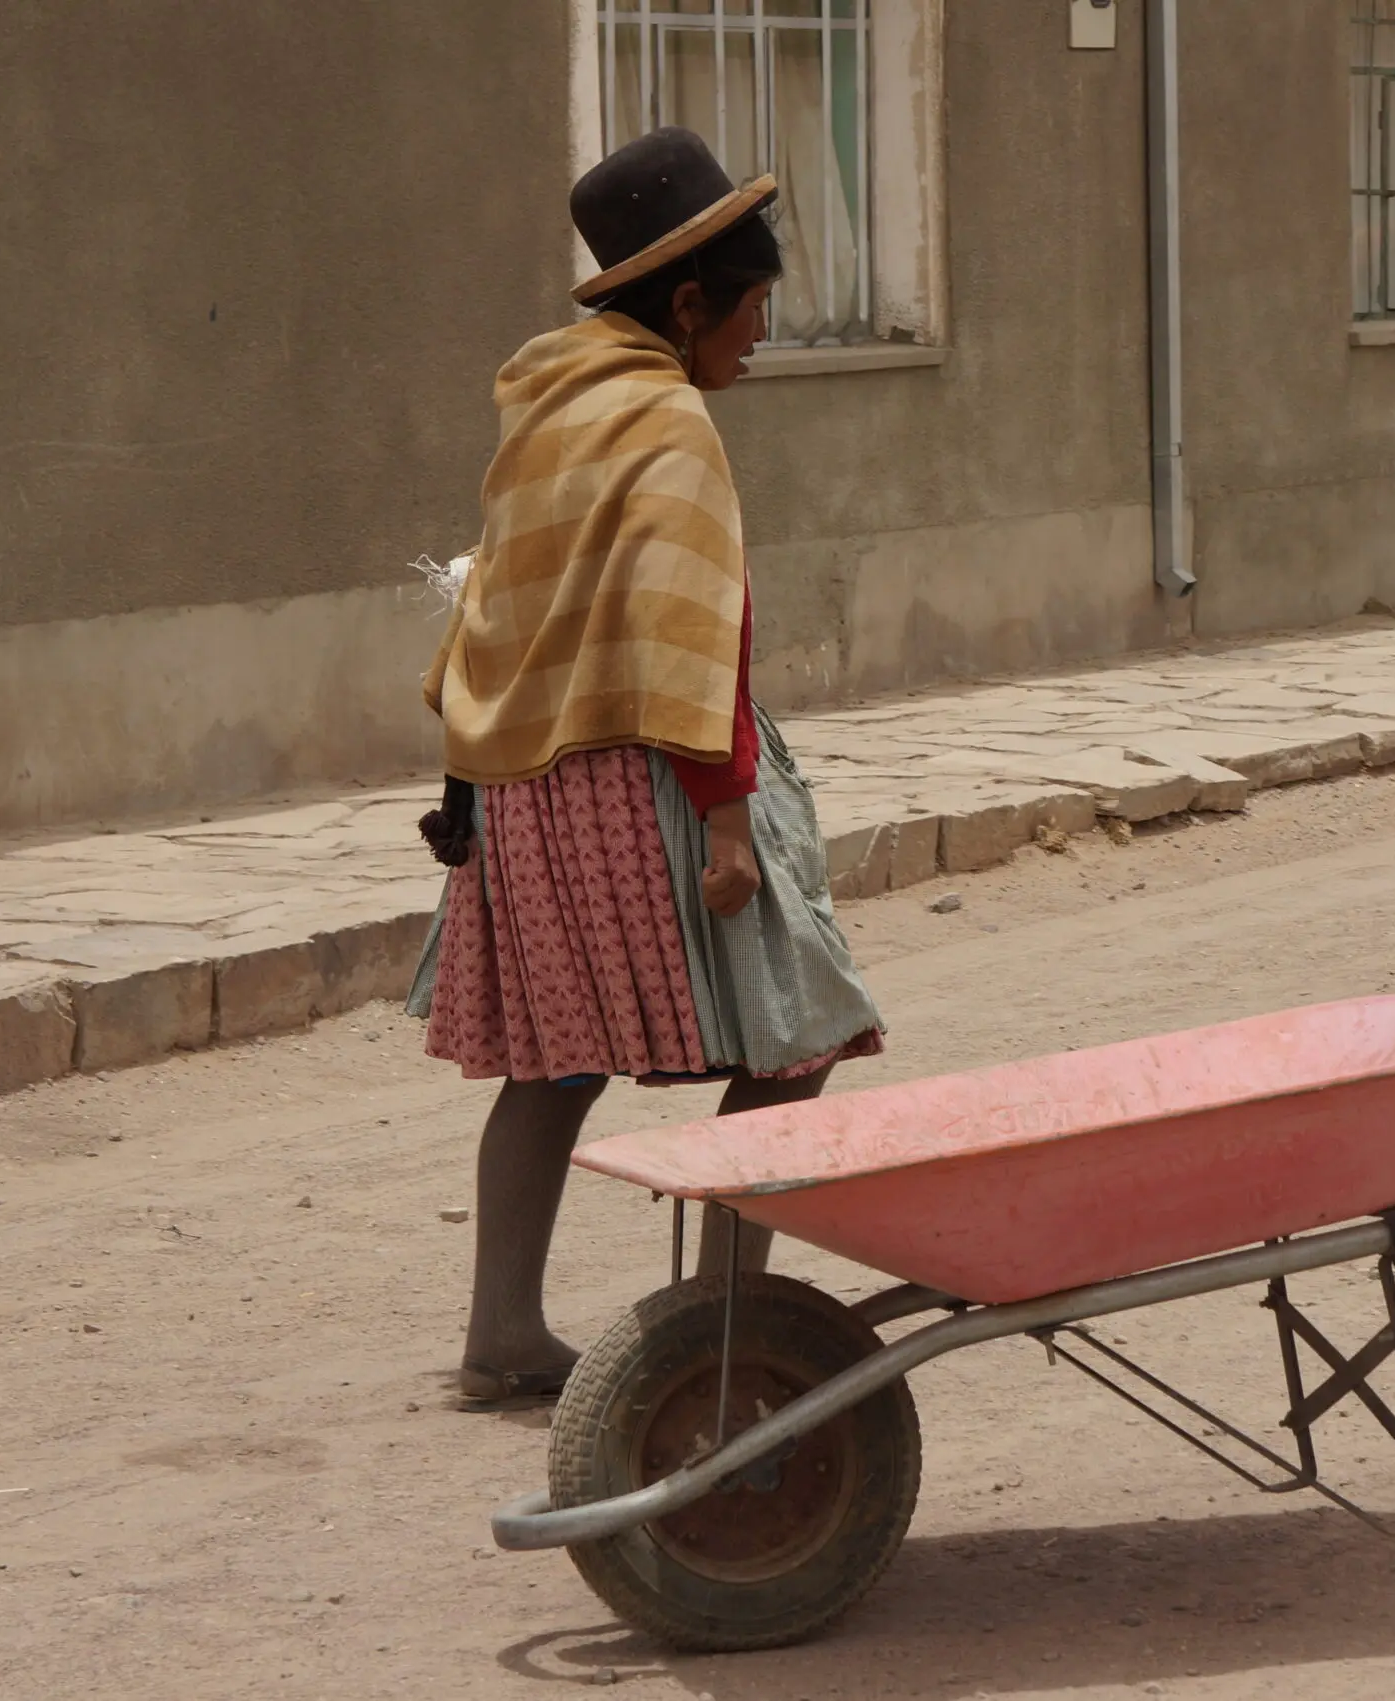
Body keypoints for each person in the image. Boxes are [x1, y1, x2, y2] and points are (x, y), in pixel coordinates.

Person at [411, 128, 885, 1407]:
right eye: (752, 311)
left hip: (523, 784)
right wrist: (729, 827)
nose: (758, 337)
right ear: (687, 303)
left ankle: (503, 1329)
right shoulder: (667, 419)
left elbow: (485, 607)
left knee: (554, 1061)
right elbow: (690, 638)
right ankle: (733, 1332)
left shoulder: (549, 404)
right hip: (644, 777)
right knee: (800, 1039)